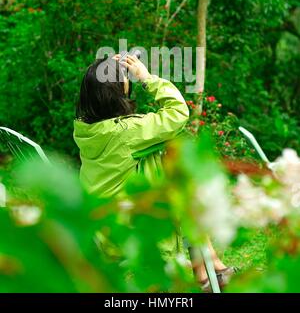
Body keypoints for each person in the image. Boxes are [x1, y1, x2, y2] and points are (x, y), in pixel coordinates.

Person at [73, 53, 234, 291]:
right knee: (182, 186)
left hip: (102, 227)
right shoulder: (127, 132)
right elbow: (178, 113)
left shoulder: (85, 129)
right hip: (128, 231)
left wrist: (108, 69)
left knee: (176, 177)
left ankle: (208, 270)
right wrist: (146, 77)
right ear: (117, 92)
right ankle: (207, 270)